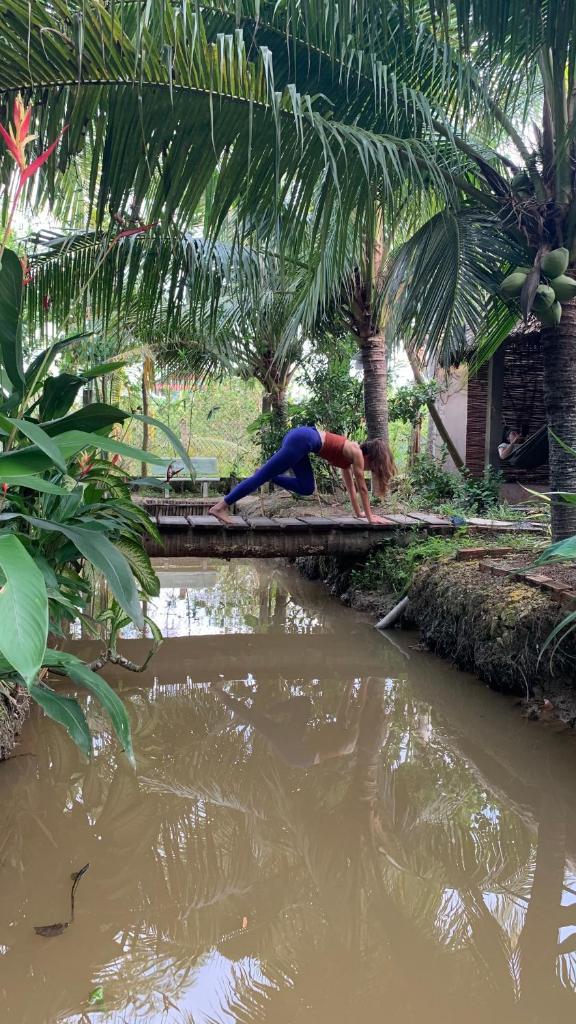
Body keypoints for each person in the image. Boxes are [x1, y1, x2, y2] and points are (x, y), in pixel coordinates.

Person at [208, 425, 395, 524]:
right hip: (302, 440)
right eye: (374, 465)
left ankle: (268, 475)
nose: (370, 470)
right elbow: (362, 488)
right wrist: (371, 518)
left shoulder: (348, 460)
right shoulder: (356, 452)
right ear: (369, 456)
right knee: (260, 478)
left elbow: (351, 488)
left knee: (307, 487)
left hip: (302, 441)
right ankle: (220, 506)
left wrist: (360, 513)